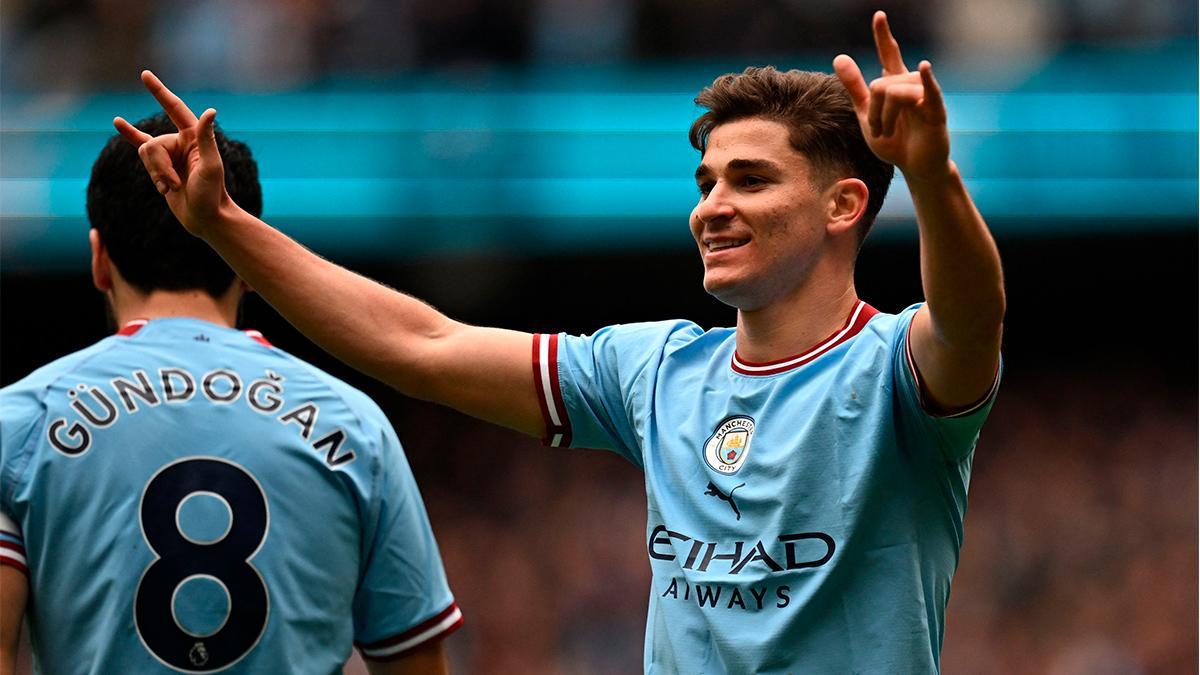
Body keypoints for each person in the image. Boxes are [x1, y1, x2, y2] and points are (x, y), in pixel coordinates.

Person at [117, 11, 1004, 672]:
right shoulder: (654, 370)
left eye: (751, 179)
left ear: (844, 205)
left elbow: (972, 315)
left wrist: (931, 173)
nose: (711, 205)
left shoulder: (894, 370)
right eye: (705, 181)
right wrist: (224, 224)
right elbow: (422, 343)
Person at [0, 114, 463, 675]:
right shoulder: (355, 426)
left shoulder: (19, 423)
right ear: (248, 264)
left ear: (99, 261)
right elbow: (416, 663)